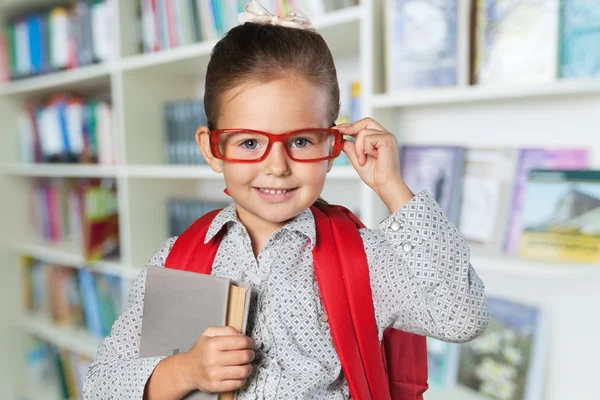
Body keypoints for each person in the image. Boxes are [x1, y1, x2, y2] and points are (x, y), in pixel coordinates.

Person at [83, 1, 488, 399]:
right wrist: (183, 370)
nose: (277, 166)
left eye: (300, 141)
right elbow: (100, 387)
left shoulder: (364, 259)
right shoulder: (177, 259)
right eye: (249, 142)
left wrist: (390, 185)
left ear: (332, 145)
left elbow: (462, 316)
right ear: (211, 149)